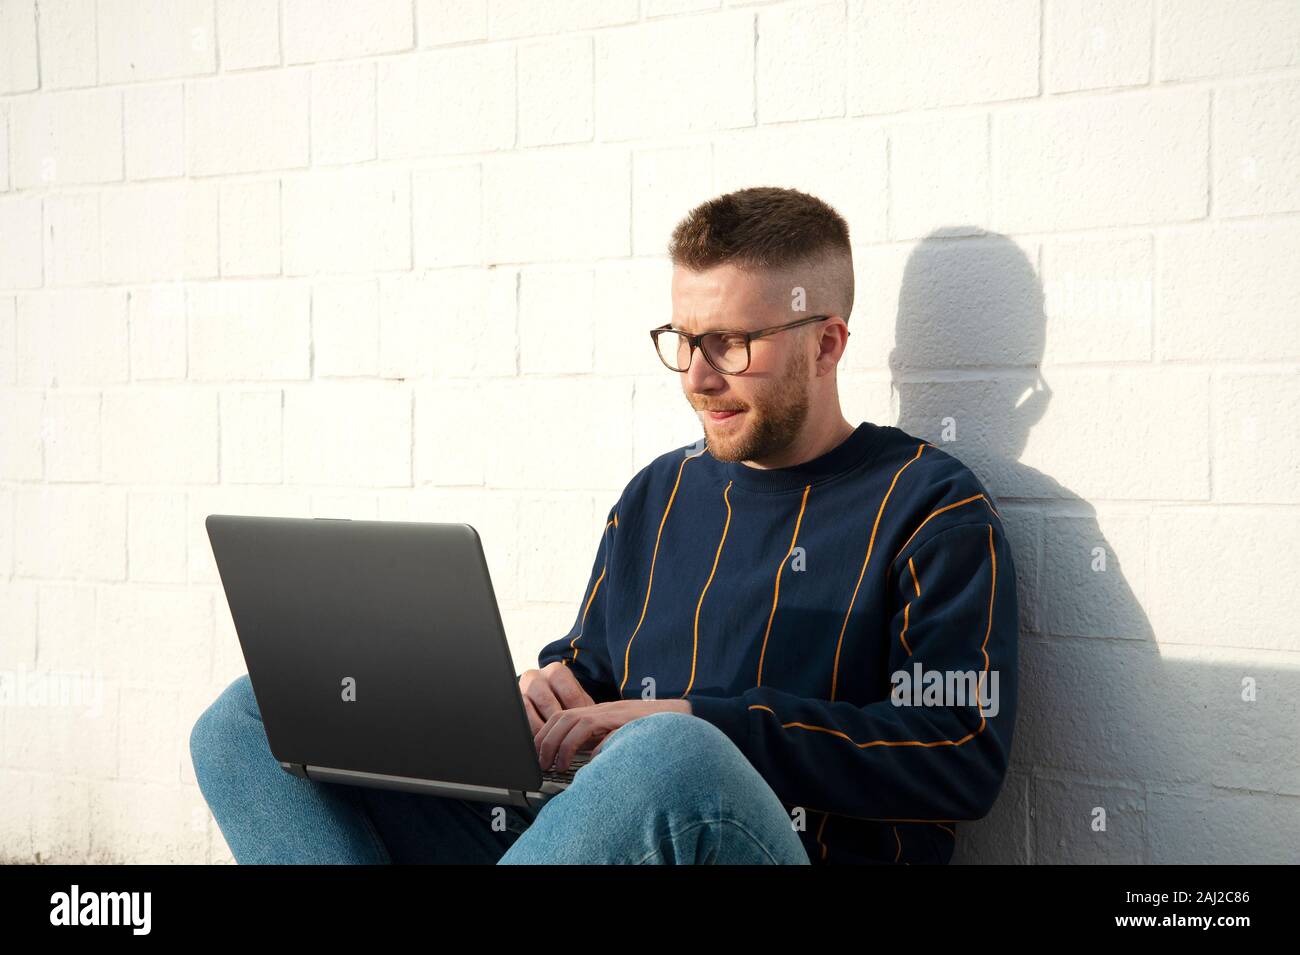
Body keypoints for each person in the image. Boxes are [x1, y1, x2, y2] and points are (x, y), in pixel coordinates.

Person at [190, 186, 1019, 864]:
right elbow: (596, 669)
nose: (697, 376)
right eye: (684, 339)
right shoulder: (658, 495)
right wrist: (544, 693)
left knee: (672, 757)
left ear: (827, 343)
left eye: (731, 343)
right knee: (252, 718)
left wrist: (699, 721)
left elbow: (958, 755)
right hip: (591, 831)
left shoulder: (932, 510)